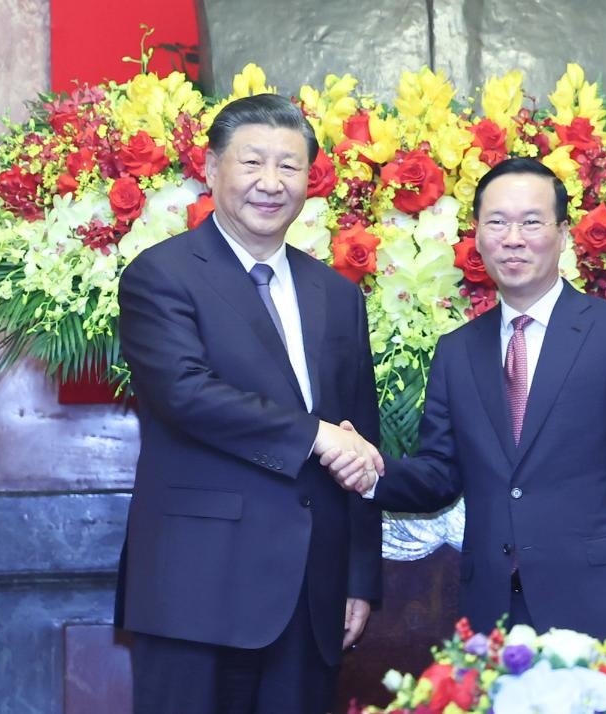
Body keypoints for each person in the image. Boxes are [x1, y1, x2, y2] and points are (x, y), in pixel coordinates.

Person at [327, 157, 606, 659]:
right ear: (476, 236)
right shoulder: (457, 351)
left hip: (602, 603)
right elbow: (440, 475)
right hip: (493, 606)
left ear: (563, 234)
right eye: (496, 222)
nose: (513, 239)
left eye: (531, 222)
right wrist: (369, 473)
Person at [114, 93, 384, 714]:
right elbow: (185, 394)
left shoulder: (337, 294)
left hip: (312, 594)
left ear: (310, 180)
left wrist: (359, 577)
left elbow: (360, 440)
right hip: (197, 590)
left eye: (289, 166)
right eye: (252, 162)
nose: (271, 182)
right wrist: (315, 435)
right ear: (212, 169)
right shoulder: (162, 275)